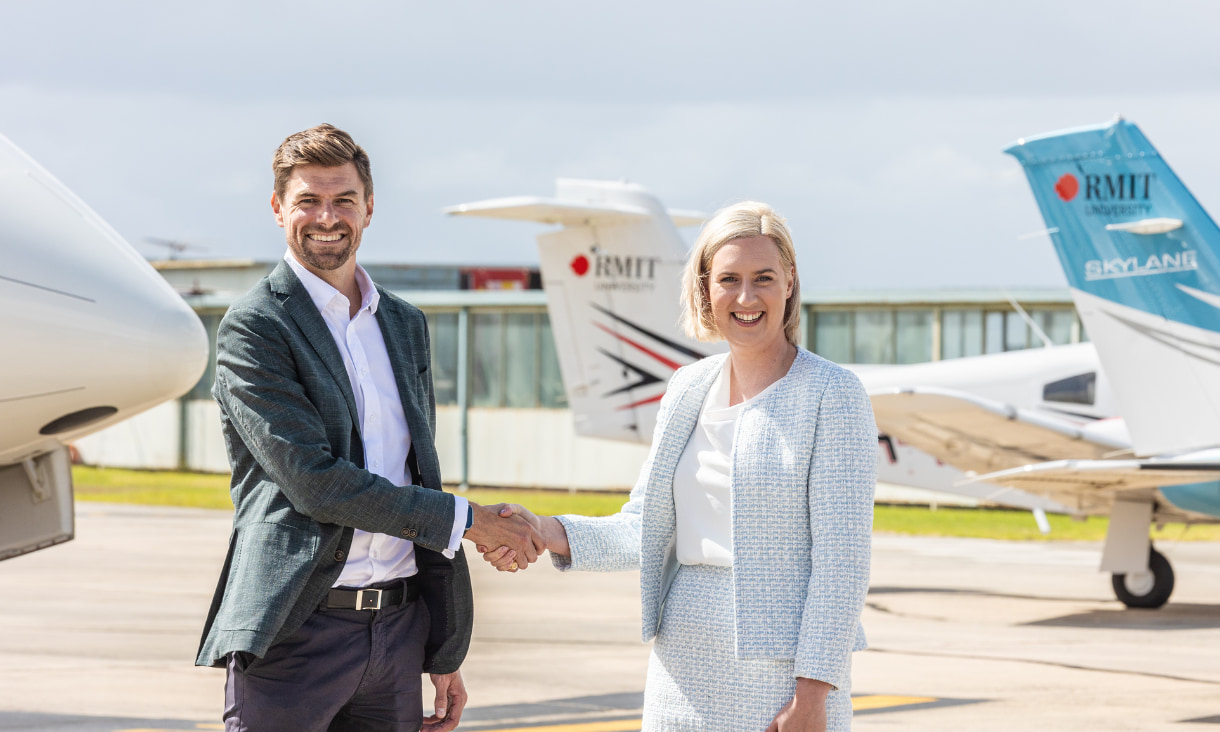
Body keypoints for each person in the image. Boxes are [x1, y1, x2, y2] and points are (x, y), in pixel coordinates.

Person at [196, 123, 543, 732]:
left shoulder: (404, 325)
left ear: (369, 207)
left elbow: (415, 474)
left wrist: (443, 649)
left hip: (399, 631)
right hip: (297, 632)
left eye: (344, 200)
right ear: (278, 208)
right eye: (308, 200)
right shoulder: (255, 327)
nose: (327, 216)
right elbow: (317, 484)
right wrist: (471, 521)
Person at [482, 201, 876, 731]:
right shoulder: (687, 388)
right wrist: (547, 530)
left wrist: (812, 696)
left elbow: (841, 565)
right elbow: (644, 523)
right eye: (728, 279)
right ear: (705, 289)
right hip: (684, 659)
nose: (745, 297)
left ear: (790, 283)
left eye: (763, 278)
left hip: (782, 671)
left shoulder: (834, 394)